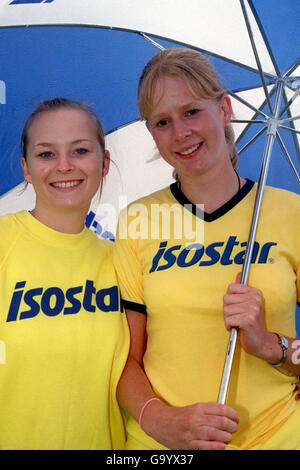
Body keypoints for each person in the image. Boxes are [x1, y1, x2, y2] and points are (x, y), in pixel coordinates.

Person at [113, 48, 300, 450]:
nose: (180, 132)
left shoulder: (291, 212)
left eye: (192, 112)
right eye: (163, 121)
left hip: (281, 435)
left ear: (224, 108)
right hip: (164, 446)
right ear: (151, 132)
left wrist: (273, 346)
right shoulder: (138, 220)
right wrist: (162, 422)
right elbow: (124, 359)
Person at [0, 98, 129, 450]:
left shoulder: (122, 262)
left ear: (104, 164)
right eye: (46, 154)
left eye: (80, 150)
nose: (64, 166)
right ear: (26, 168)